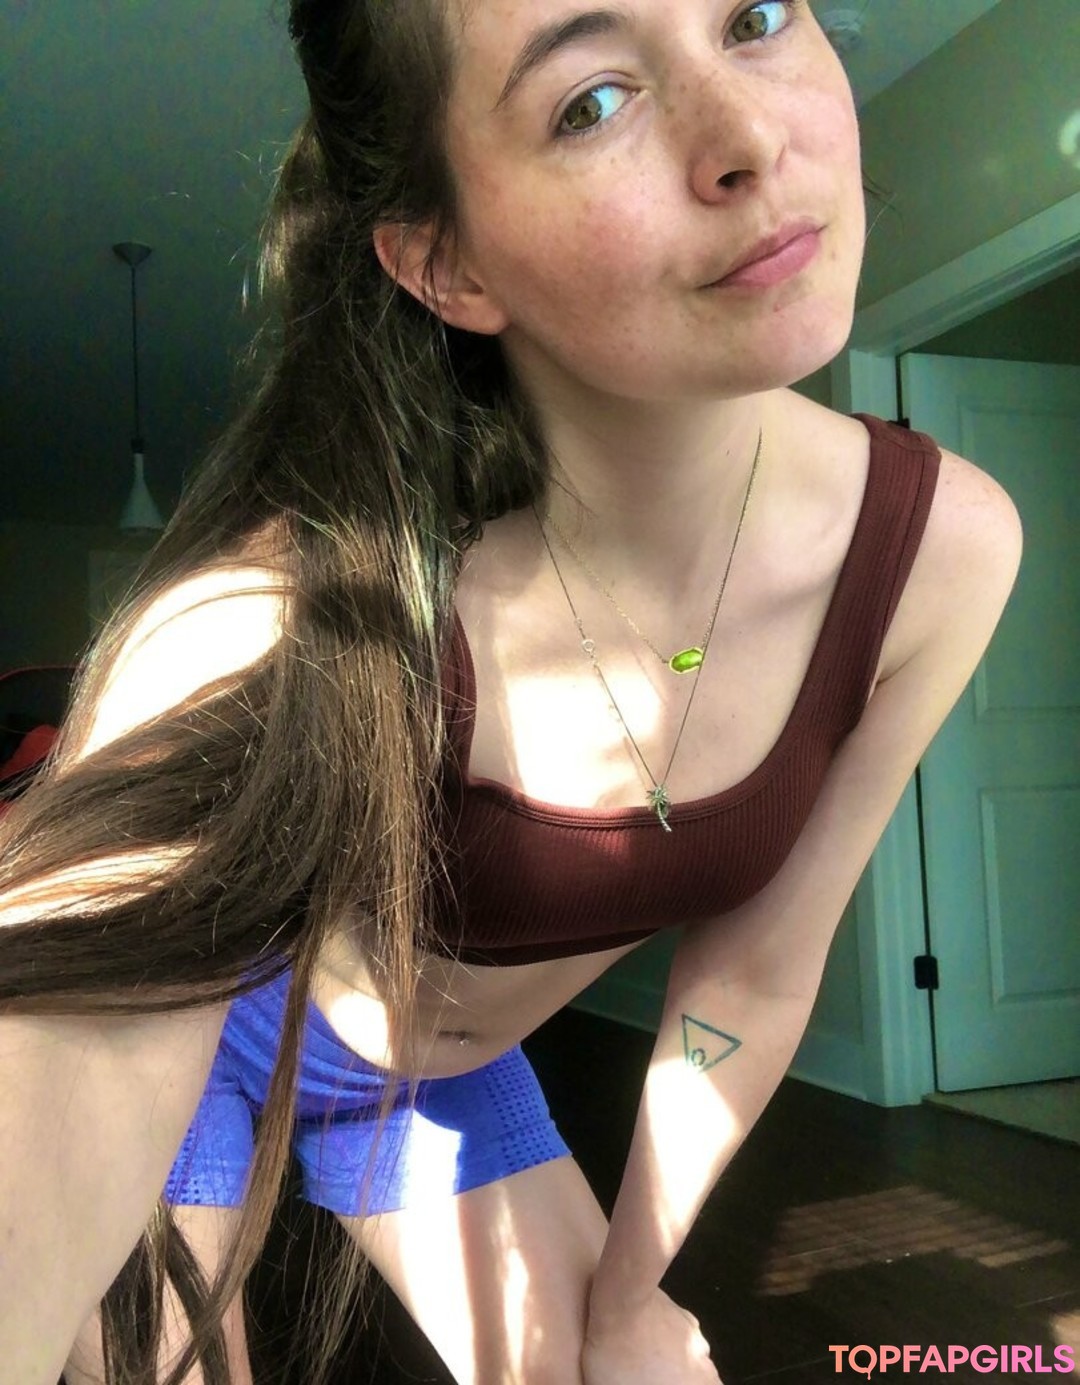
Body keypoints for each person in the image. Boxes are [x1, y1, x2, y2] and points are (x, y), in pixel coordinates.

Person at [0, 1, 1023, 1382]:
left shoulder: (945, 553)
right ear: (447, 261)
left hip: (433, 1086)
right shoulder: (271, 617)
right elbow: (61, 1035)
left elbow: (758, 971)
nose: (747, 137)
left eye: (755, 16)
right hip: (225, 1036)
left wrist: (632, 1297)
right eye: (590, 101)